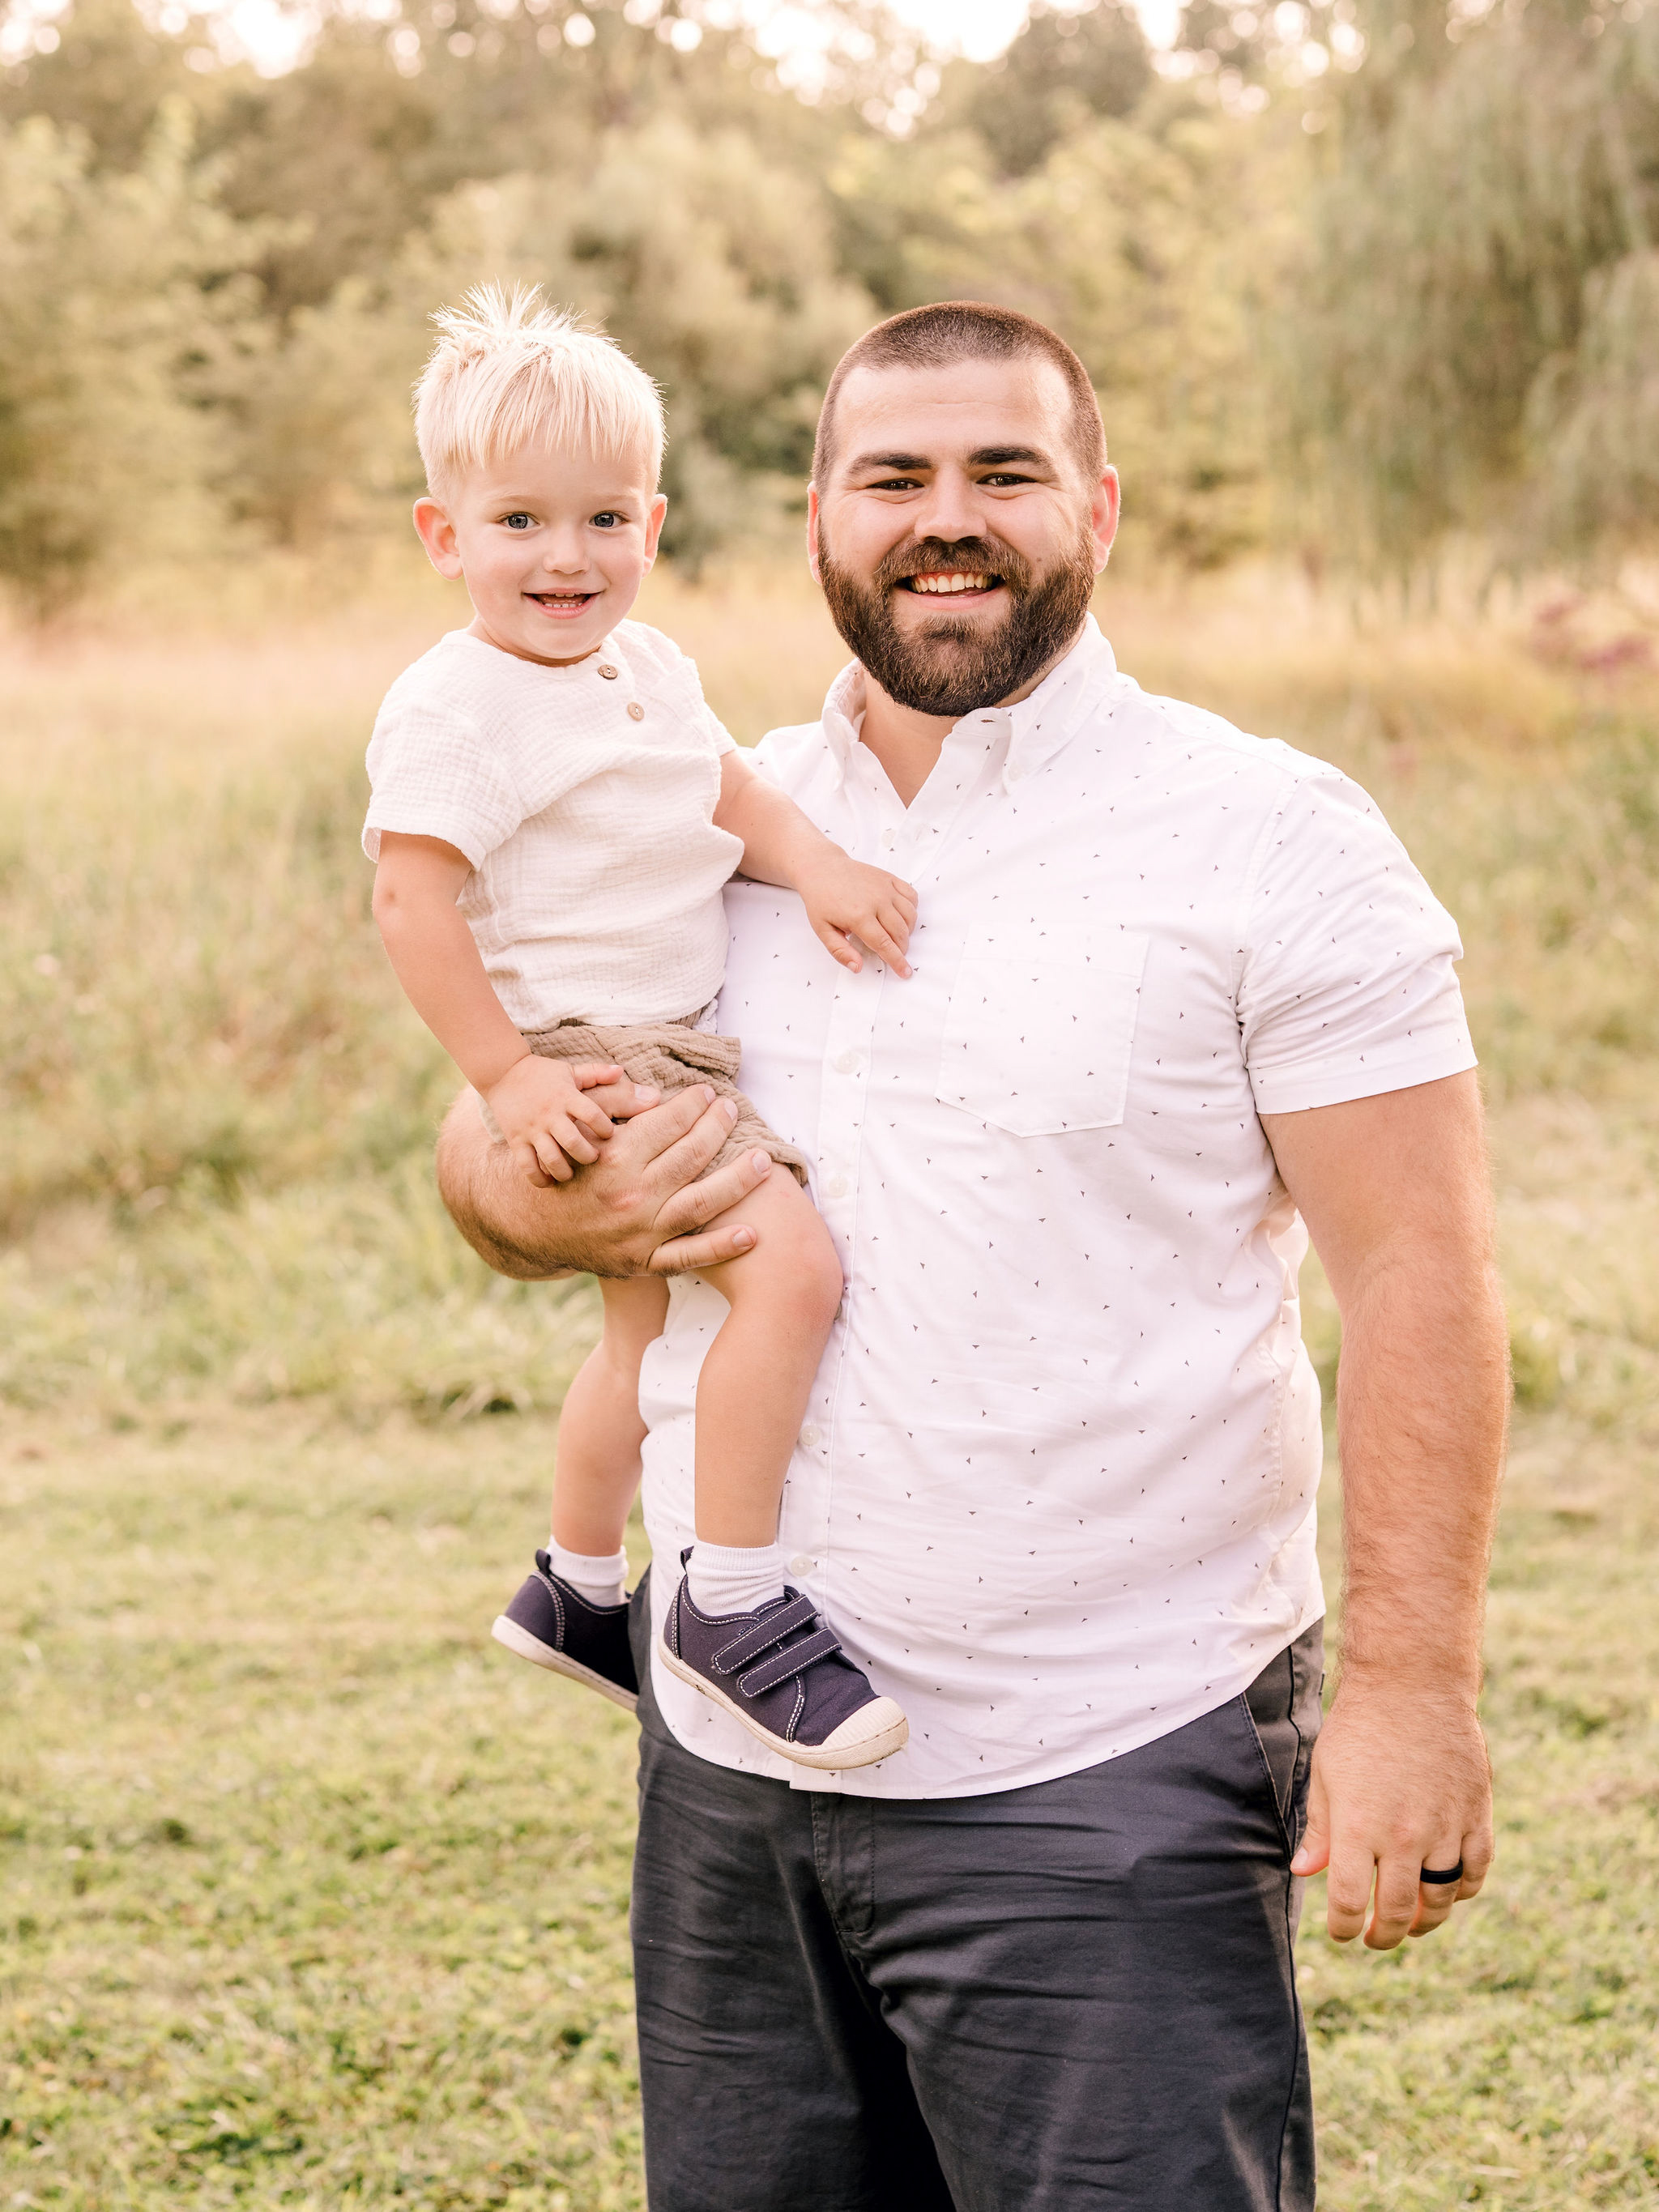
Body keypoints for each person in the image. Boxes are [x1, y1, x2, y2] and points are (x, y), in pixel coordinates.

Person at [434, 301, 1509, 2212]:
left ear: (1096, 504)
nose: (951, 519)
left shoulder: (1268, 841)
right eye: (895, 478)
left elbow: (1420, 1276)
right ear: (816, 523)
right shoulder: (685, 805)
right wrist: (547, 1197)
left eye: (1003, 472)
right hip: (728, 1781)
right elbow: (494, 1114)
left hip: (1107, 1768)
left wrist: (1413, 1687)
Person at [364, 283, 918, 1770]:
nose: (568, 557)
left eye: (604, 519)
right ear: (446, 536)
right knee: (790, 1274)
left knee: (643, 1332)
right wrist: (506, 1078)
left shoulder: (649, 668)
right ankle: (727, 1601)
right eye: (521, 523)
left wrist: (819, 866)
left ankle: (575, 1583)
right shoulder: (458, 707)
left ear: (653, 525)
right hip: (603, 1050)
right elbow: (412, 905)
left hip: (660, 1032)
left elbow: (723, 790)